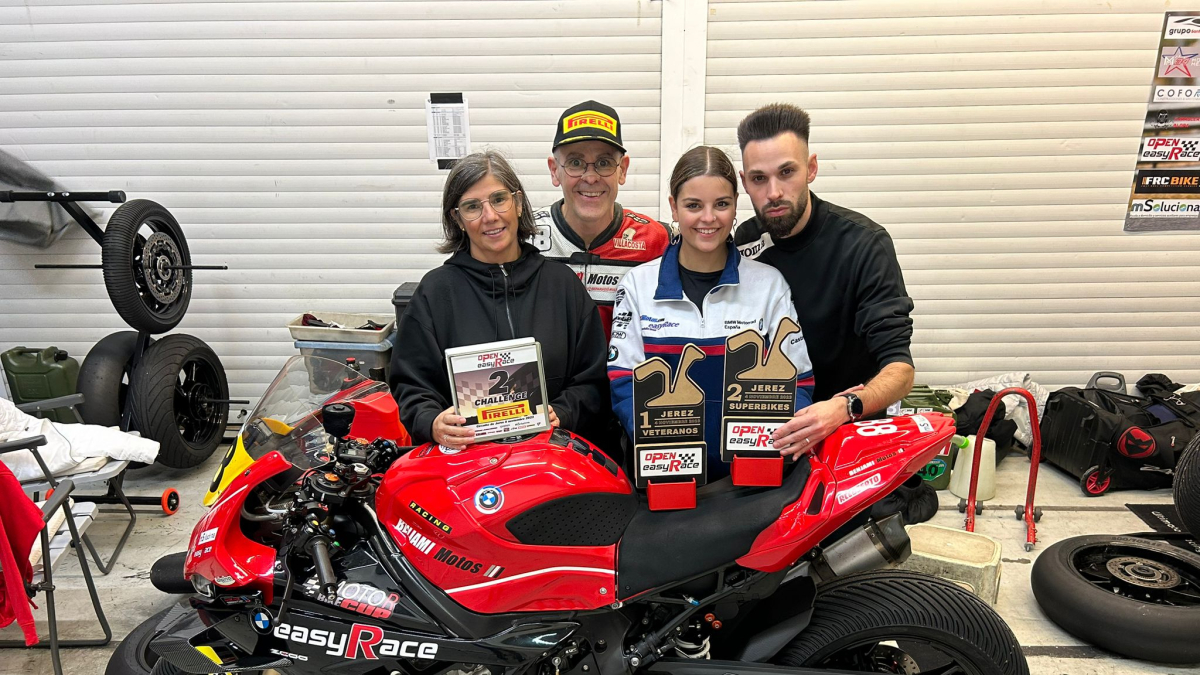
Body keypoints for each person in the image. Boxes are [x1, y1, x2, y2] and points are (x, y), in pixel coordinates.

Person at [608, 146, 815, 479]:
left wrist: (775, 444)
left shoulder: (768, 284)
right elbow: (623, 383)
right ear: (673, 207)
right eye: (693, 205)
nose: (708, 218)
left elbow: (798, 383)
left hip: (752, 480)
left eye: (721, 204)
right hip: (668, 476)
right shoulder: (637, 285)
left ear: (735, 205)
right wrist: (660, 446)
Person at [389, 151, 609, 449]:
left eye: (499, 199)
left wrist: (565, 412)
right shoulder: (435, 292)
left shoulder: (563, 286)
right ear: (457, 218)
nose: (490, 216)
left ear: (518, 204)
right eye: (472, 206)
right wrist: (432, 422)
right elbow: (411, 386)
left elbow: (594, 380)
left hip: (550, 460)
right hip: (466, 464)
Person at [733, 103, 915, 458]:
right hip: (769, 434)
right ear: (744, 182)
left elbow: (900, 370)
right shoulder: (745, 239)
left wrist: (845, 407)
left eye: (787, 172)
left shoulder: (864, 245)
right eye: (759, 178)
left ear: (811, 168)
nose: (774, 192)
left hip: (845, 436)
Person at [535, 100, 673, 337]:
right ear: (554, 170)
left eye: (604, 163)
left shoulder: (658, 241)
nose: (590, 178)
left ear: (623, 170)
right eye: (575, 163)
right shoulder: (524, 238)